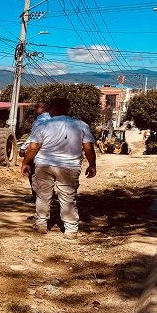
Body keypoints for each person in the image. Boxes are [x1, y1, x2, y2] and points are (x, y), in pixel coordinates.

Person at [20, 97, 97, 238]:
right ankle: (71, 229)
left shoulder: (42, 126)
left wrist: (25, 162)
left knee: (43, 195)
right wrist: (92, 165)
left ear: (53, 109)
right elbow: (88, 148)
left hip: (44, 164)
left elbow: (33, 147)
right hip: (70, 166)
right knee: (67, 197)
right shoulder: (81, 125)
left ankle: (41, 223)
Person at [19, 102, 51, 201]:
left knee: (33, 173)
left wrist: (23, 148)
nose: (34, 109)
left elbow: (33, 139)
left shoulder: (40, 121)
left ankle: (36, 196)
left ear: (43, 108)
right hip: (51, 153)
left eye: (37, 107)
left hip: (39, 151)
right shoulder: (52, 119)